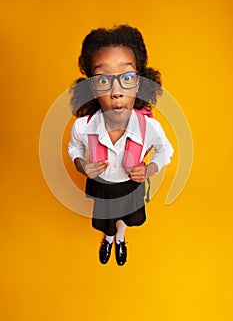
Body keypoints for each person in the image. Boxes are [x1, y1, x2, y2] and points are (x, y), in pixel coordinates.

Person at [68, 24, 174, 266]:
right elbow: (73, 148)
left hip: (130, 187)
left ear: (139, 84)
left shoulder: (149, 128)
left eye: (127, 77)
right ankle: (108, 237)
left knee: (128, 215)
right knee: (106, 219)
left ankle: (121, 238)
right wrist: (81, 164)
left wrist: (149, 169)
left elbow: (166, 150)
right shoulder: (83, 127)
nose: (116, 91)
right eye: (103, 79)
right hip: (103, 188)